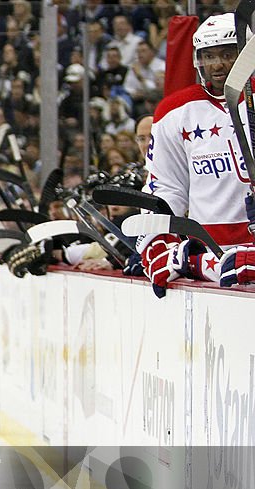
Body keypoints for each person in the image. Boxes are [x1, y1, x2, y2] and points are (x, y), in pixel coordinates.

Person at [139, 13, 255, 295]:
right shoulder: (175, 111)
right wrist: (157, 241)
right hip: (208, 254)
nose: (217, 65)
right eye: (209, 56)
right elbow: (165, 186)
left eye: (228, 54)